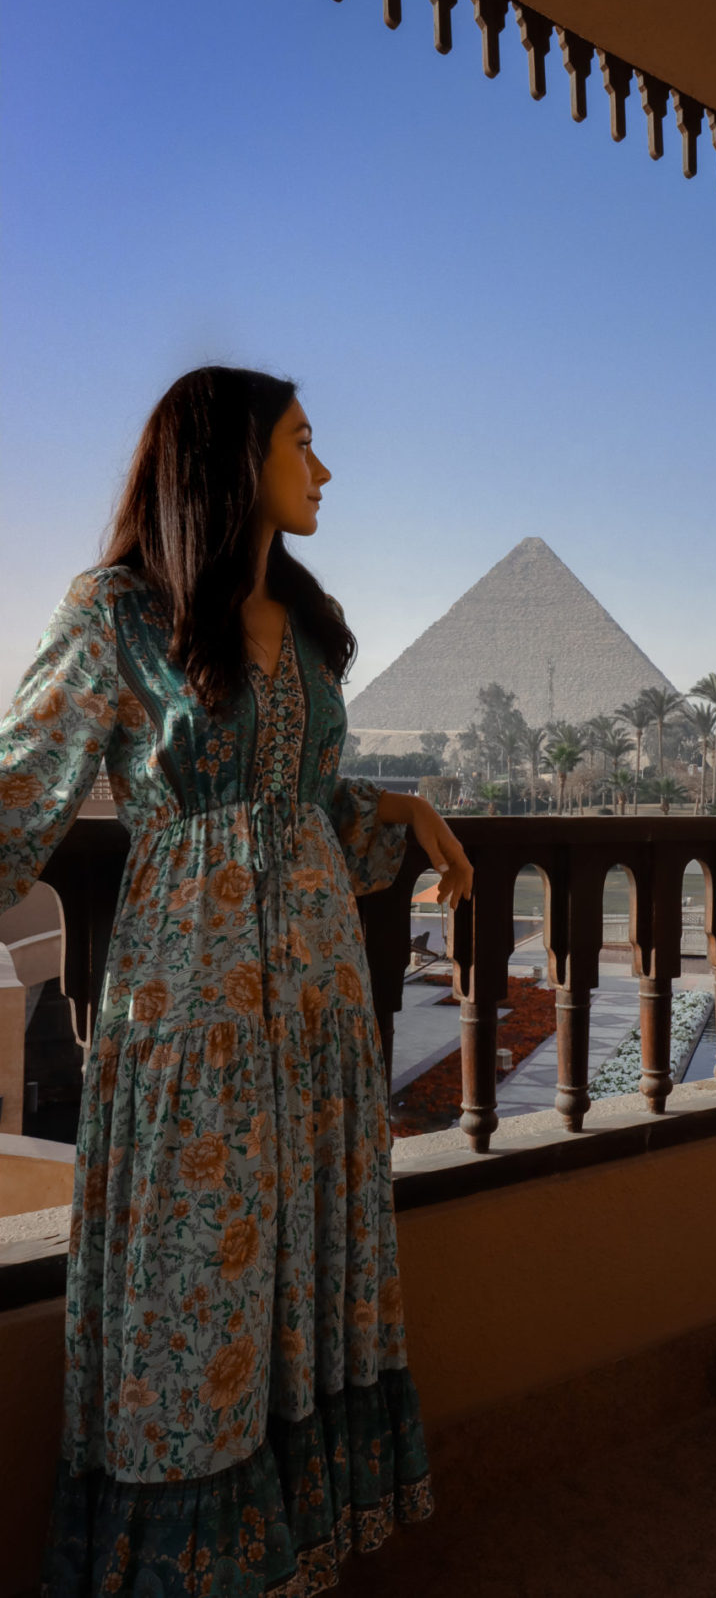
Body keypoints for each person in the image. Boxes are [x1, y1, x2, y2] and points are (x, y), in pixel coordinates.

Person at [0, 364, 473, 1596]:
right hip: (193, 1019)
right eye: (302, 444)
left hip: (318, 1017)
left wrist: (400, 807)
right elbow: (19, 790)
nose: (324, 470)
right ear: (229, 460)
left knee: (294, 1292)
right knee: (191, 1299)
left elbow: (298, 804)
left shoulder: (309, 626)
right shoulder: (117, 613)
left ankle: (286, 1563)